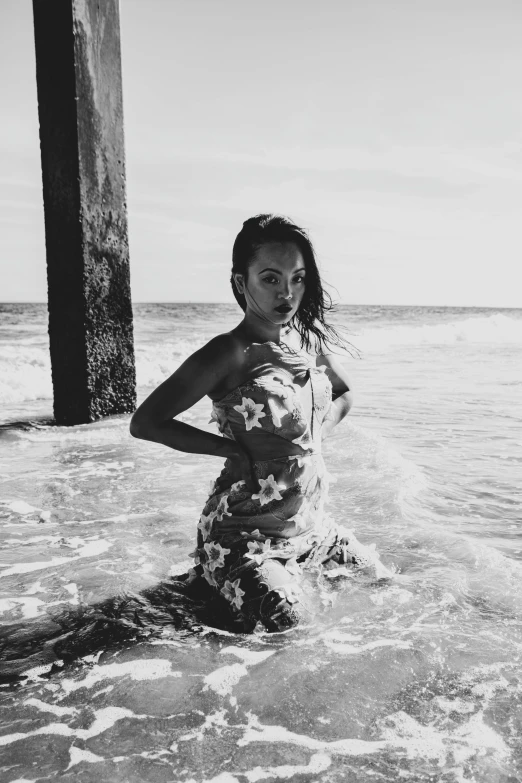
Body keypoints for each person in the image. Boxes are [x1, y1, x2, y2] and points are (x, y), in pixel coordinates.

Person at [130, 214, 387, 633]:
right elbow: (147, 422)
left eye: (298, 278)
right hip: (243, 535)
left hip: (312, 528)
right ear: (240, 282)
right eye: (271, 278)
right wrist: (228, 448)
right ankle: (212, 585)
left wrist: (315, 434)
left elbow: (344, 392)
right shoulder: (229, 352)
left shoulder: (308, 346)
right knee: (292, 627)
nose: (287, 292)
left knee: (386, 586)